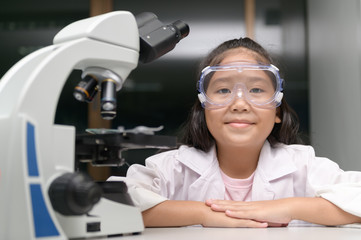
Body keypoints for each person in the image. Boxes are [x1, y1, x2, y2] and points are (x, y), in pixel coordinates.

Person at [109, 37, 361, 227]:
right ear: (204, 109)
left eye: (256, 90)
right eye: (222, 90)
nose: (239, 103)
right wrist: (204, 214)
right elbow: (113, 203)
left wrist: (287, 207)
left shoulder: (303, 165)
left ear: (276, 111)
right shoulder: (173, 168)